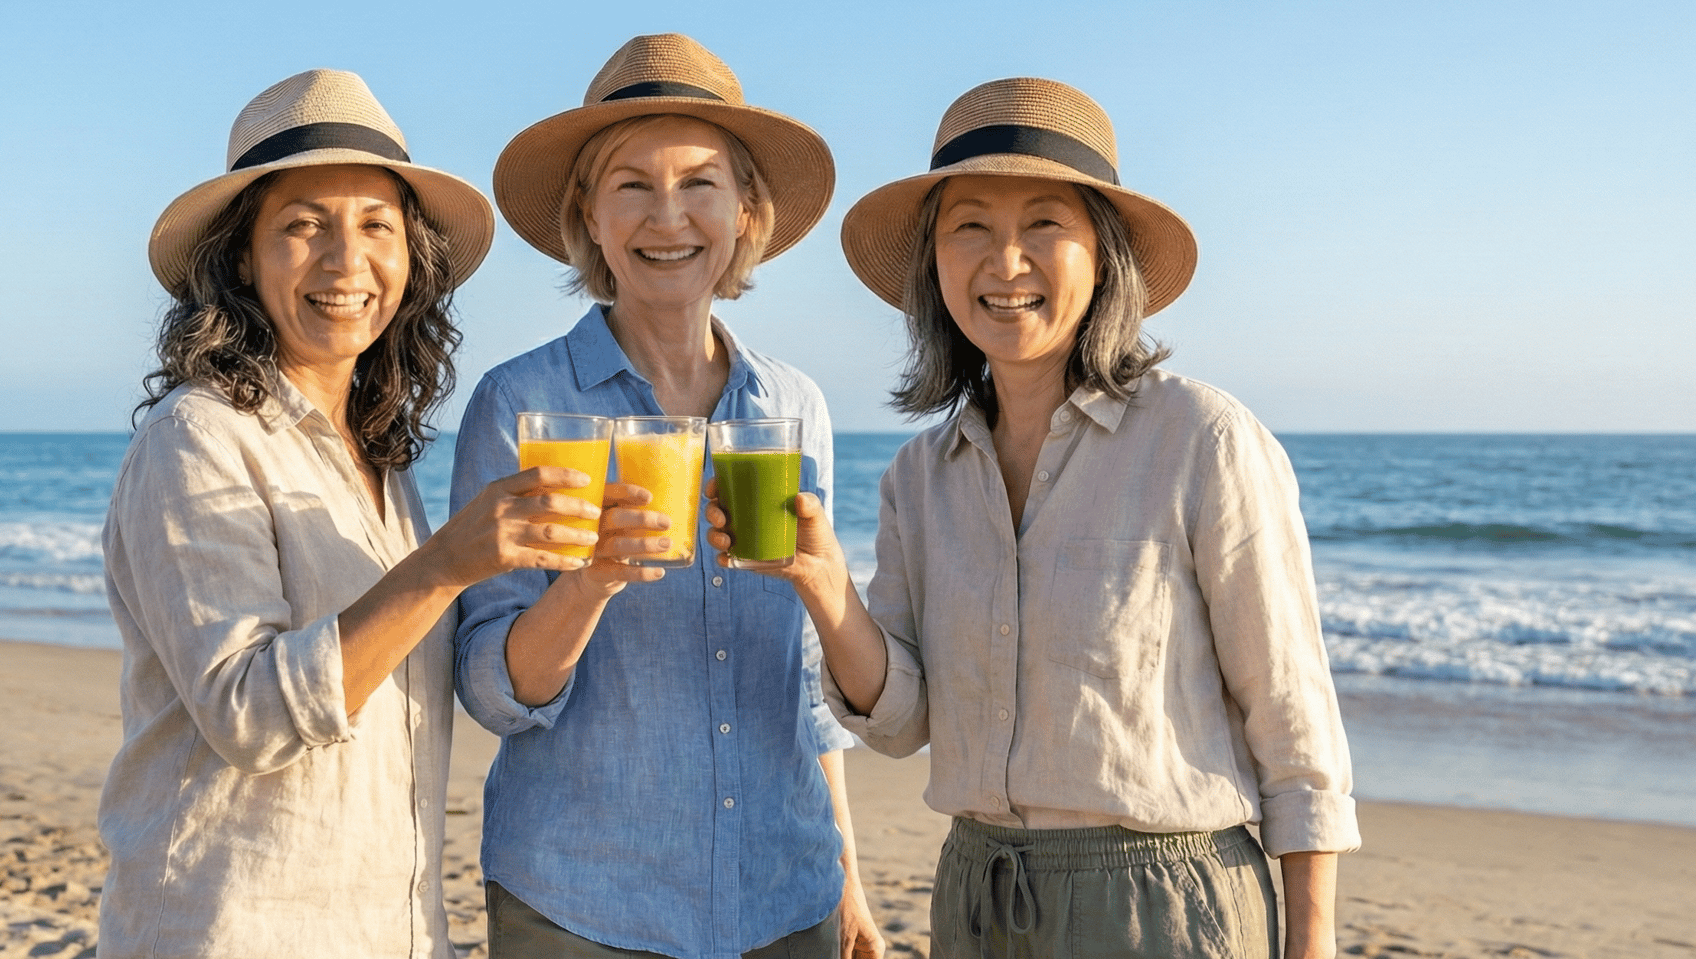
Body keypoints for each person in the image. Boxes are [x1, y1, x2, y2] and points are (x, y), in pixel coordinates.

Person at [710, 78, 1360, 958]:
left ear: (1104, 254)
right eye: (969, 225)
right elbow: (900, 722)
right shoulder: (920, 477)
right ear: (934, 265)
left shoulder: (1201, 439)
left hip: (1163, 905)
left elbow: (1293, 722)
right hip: (976, 895)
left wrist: (1311, 942)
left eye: (1045, 224)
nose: (1005, 262)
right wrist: (821, 581)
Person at [99, 69, 600, 958]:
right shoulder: (198, 437)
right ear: (241, 257)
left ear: (412, 263)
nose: (345, 262)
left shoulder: (377, 458)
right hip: (230, 929)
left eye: (377, 226)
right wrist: (447, 563)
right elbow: (250, 713)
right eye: (303, 226)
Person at [451, 34, 883, 959]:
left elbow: (804, 680)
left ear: (745, 213)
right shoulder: (522, 404)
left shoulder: (793, 406)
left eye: (700, 183)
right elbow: (492, 689)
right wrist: (591, 582)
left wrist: (847, 872)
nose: (668, 215)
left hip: (785, 892)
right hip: (580, 901)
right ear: (592, 217)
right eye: (633, 185)